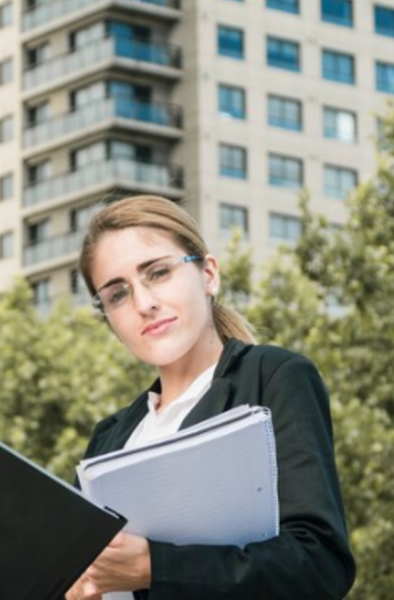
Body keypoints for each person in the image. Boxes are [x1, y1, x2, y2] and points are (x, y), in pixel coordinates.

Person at [67, 195, 356, 600]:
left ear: (208, 275)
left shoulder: (272, 378)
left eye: (159, 272)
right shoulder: (109, 439)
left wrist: (156, 567)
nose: (144, 304)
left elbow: (320, 566)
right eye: (118, 294)